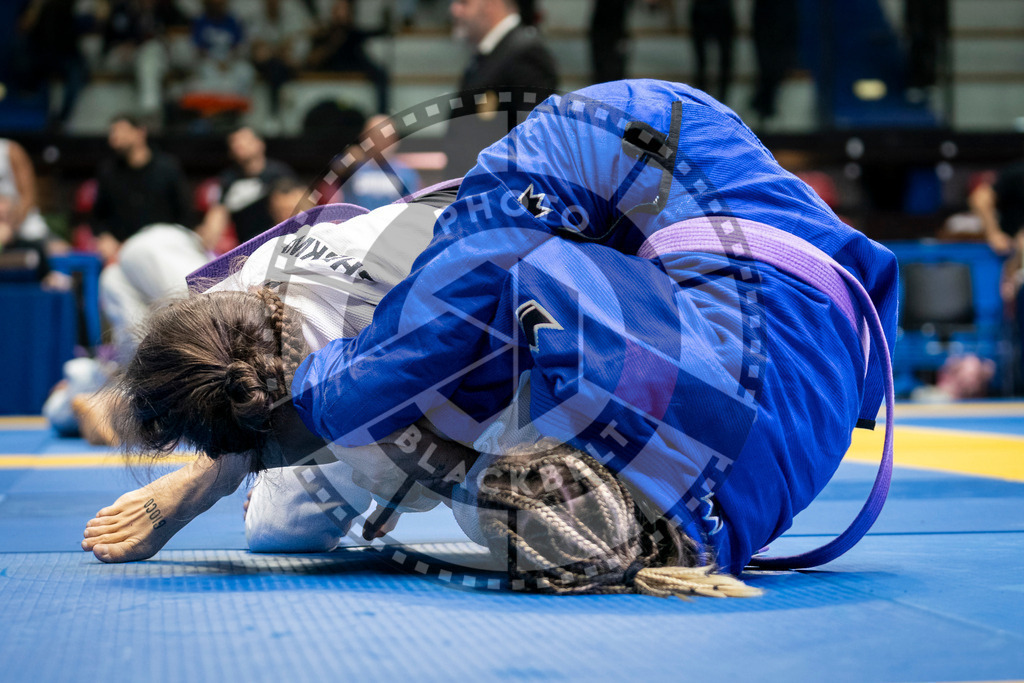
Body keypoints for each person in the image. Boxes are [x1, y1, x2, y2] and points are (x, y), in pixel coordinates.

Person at [84, 80, 898, 599]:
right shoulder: (627, 142)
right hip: (810, 409)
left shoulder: (518, 189)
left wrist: (303, 406)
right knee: (491, 332)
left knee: (501, 298)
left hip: (734, 435)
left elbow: (442, 317)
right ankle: (646, 511)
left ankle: (649, 516)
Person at [444, 0, 559, 175]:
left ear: (492, 4)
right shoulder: (491, 53)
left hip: (496, 193)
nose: (454, 9)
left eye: (464, 3)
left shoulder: (526, 53)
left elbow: (530, 144)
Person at [92, 114, 193, 264]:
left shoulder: (167, 168)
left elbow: (185, 215)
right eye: (112, 133)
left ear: (140, 132)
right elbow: (98, 217)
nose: (115, 138)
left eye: (121, 131)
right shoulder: (108, 172)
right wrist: (105, 237)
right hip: (122, 254)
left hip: (164, 251)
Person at [196, 126, 297, 248]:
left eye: (244, 141)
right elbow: (218, 214)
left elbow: (297, 209)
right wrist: (206, 237)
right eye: (234, 142)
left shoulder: (279, 173)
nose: (239, 146)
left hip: (278, 244)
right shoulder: (228, 179)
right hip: (246, 247)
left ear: (259, 144)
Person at [305, 0, 391, 115]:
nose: (342, 14)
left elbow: (376, 33)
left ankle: (381, 115)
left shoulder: (353, 33)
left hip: (354, 64)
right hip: (330, 67)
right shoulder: (324, 33)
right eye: (339, 10)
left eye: (345, 10)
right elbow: (311, 60)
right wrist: (333, 43)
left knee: (381, 73)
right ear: (333, 13)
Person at [340, 115, 420, 210]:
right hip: (356, 222)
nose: (381, 142)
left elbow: (412, 207)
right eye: (375, 135)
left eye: (386, 136)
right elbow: (332, 176)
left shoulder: (404, 171)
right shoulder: (353, 165)